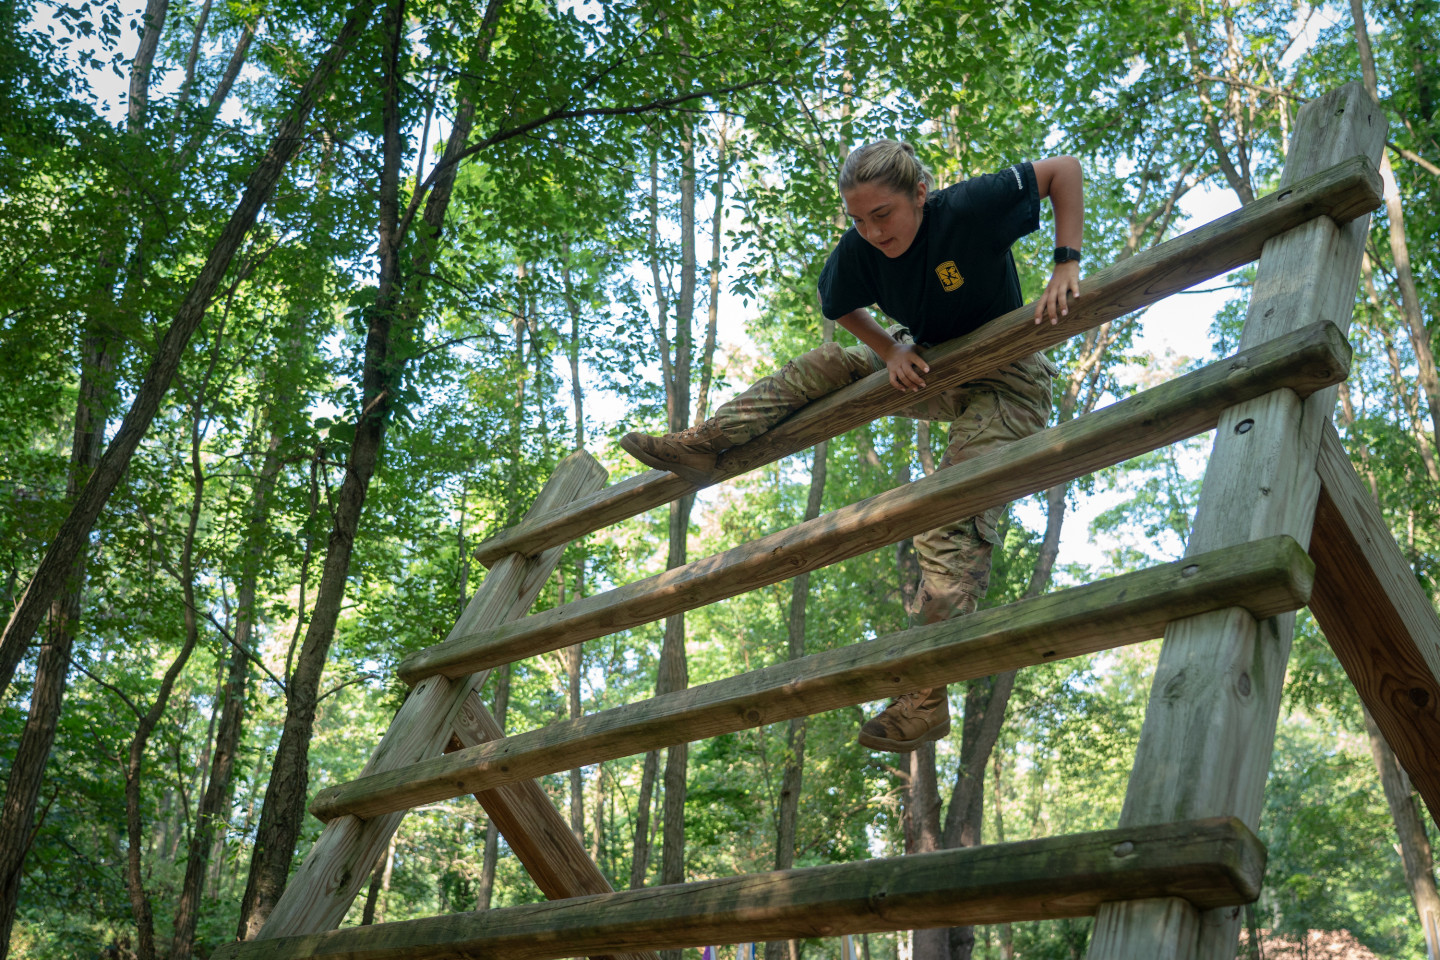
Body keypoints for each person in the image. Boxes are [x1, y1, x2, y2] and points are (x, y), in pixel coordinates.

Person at [621, 140, 1084, 752]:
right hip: (932, 362)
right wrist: (890, 349)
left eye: (883, 215)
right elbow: (837, 304)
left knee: (945, 516)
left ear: (920, 194)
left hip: (1008, 378)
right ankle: (709, 442)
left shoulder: (969, 208)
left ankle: (925, 699)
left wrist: (1066, 263)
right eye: (858, 220)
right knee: (827, 364)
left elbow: (1061, 171)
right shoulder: (858, 250)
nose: (871, 231)